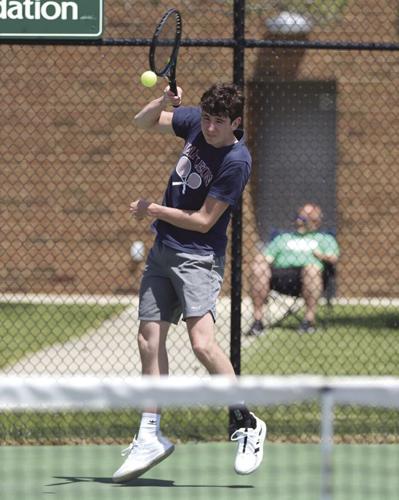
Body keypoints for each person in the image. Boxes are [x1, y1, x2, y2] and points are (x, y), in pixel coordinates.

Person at [112, 83, 266, 483]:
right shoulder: (196, 122)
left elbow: (203, 221)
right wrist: (161, 102)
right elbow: (143, 122)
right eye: (206, 120)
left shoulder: (236, 160)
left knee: (201, 344)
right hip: (163, 250)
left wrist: (153, 209)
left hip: (198, 258)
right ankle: (149, 434)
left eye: (218, 122)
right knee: (148, 339)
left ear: (235, 122)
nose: (210, 128)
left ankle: (246, 422)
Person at [247, 203, 340, 336]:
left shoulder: (325, 239)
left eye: (308, 216)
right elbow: (267, 257)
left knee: (311, 269)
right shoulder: (283, 238)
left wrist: (321, 255)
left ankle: (309, 320)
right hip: (280, 276)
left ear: (317, 221)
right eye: (301, 215)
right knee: (258, 267)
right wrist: (260, 260)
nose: (301, 219)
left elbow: (333, 258)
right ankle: (257, 321)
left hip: (309, 277)